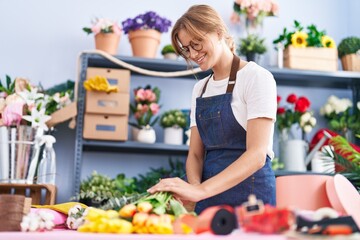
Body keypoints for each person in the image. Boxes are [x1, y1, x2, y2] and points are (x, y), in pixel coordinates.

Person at [147, 4, 277, 214]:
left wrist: (200, 191)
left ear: (218, 32)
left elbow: (257, 154)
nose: (193, 54)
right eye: (187, 49)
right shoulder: (200, 89)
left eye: (196, 43)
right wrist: (194, 190)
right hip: (207, 201)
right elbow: (196, 155)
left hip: (251, 199)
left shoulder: (256, 77)